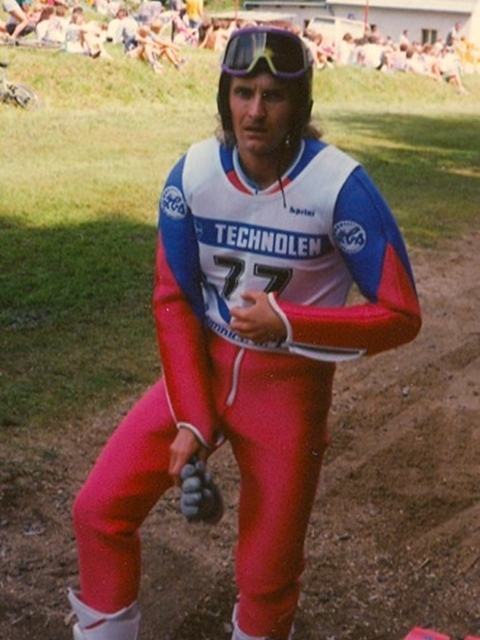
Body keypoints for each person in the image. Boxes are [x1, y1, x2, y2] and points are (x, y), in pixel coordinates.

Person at [67, 25, 422, 640]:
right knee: (98, 510)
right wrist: (192, 418)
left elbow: (401, 314)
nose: (255, 111)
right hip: (202, 369)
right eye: (242, 92)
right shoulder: (193, 174)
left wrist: (290, 321)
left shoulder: (340, 186)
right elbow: (173, 299)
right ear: (224, 98)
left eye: (273, 95)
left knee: (267, 573)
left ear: (299, 106)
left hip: (288, 393)